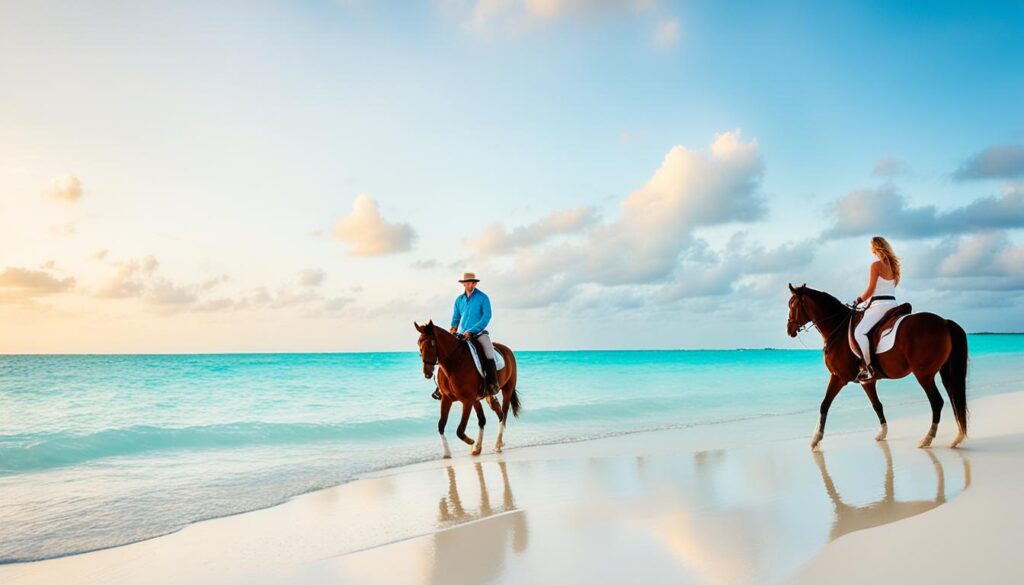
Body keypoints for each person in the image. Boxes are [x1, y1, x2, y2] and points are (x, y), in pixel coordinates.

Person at [435, 272, 498, 399]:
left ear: (475, 283)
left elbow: (486, 317)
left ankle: (492, 384)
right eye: (467, 282)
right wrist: (453, 329)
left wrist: (473, 331)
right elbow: (456, 317)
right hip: (461, 334)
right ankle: (440, 387)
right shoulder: (459, 300)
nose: (470, 284)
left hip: (478, 333)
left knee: (488, 351)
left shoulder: (483, 298)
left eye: (472, 282)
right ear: (464, 284)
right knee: (446, 353)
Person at [852, 236, 901, 382]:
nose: (872, 252)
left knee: (859, 333)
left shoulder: (875, 266)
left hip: (880, 306)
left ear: (876, 248)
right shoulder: (894, 266)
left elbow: (871, 290)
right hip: (893, 305)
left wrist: (858, 300)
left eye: (872, 249)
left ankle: (868, 367)